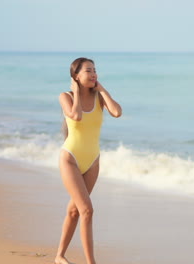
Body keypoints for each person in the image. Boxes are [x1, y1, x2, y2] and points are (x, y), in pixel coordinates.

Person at [55, 57, 122, 264]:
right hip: (71, 159)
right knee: (86, 210)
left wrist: (101, 89)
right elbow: (75, 116)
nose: (93, 74)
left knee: (75, 210)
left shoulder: (99, 98)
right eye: (88, 71)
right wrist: (75, 92)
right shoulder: (65, 96)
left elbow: (117, 112)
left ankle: (59, 256)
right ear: (76, 76)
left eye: (95, 70)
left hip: (92, 160)